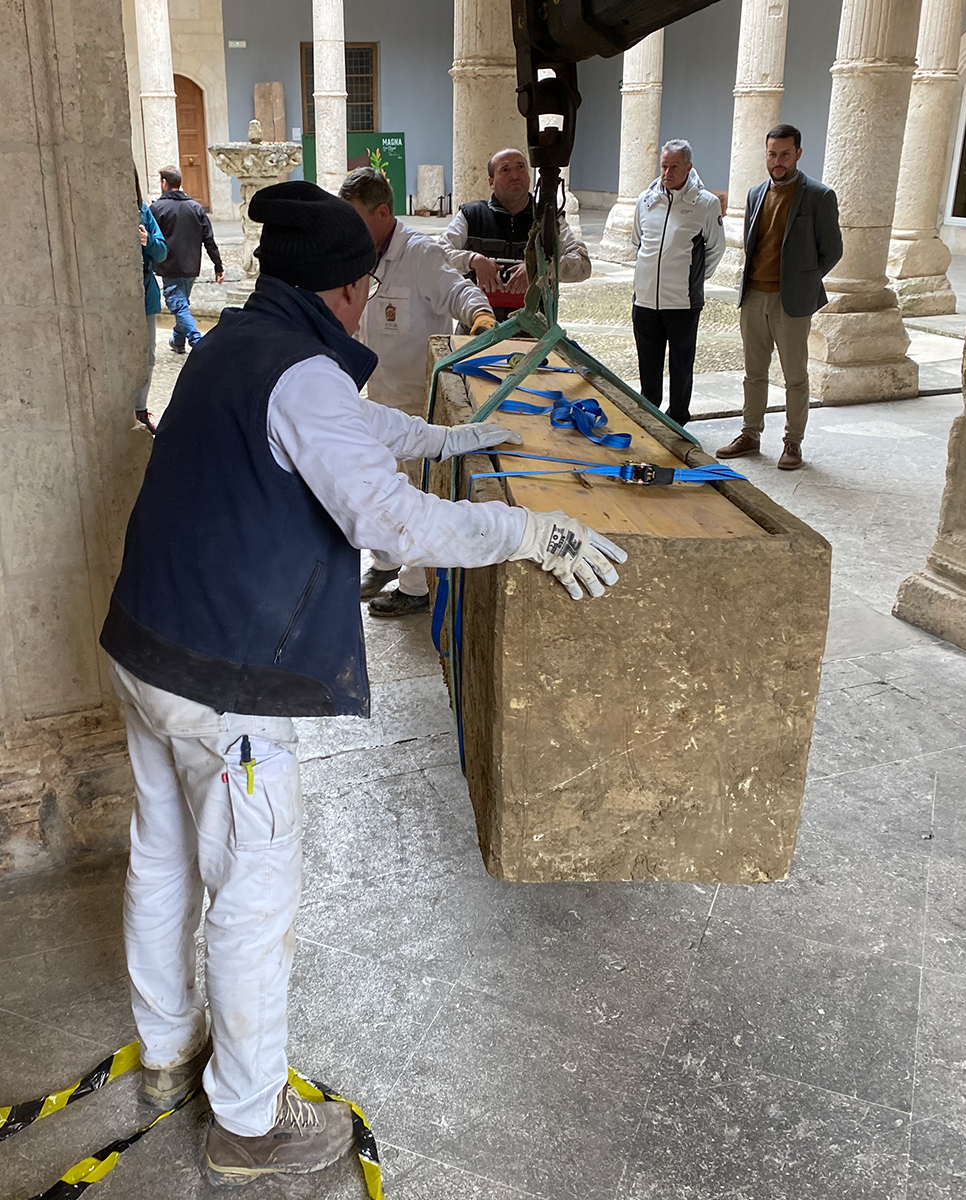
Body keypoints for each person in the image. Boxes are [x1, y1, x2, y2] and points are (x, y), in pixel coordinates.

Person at [98, 181, 626, 1188]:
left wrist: (451, 441)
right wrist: (534, 531)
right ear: (344, 292)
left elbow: (346, 428)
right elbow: (396, 527)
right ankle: (246, 1124)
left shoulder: (234, 345)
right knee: (252, 894)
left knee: (162, 857)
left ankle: (168, 1058)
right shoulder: (299, 373)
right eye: (363, 290)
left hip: (145, 645)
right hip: (223, 682)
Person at [339, 166, 497, 618]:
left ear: (384, 212)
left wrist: (481, 317)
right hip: (379, 395)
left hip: (418, 402)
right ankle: (387, 562)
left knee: (415, 493)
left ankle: (416, 587)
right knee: (377, 484)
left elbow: (459, 292)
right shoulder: (362, 253)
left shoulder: (421, 254)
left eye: (355, 217)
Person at [716, 123, 842, 470]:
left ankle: (792, 442)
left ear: (798, 153)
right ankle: (750, 433)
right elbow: (751, 242)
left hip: (792, 302)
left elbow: (832, 250)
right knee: (753, 373)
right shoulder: (757, 193)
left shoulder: (818, 196)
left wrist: (803, 280)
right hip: (754, 295)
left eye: (785, 154)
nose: (778, 161)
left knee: (795, 376)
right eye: (772, 154)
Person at [630, 139, 726, 426]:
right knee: (648, 363)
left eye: (674, 166)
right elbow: (638, 241)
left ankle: (679, 418)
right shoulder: (645, 201)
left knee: (681, 365)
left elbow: (715, 249)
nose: (667, 172)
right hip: (645, 300)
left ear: (688, 167)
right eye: (663, 166)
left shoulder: (705, 204)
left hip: (682, 302)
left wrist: (693, 279)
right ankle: (649, 413)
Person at [437, 147, 591, 320]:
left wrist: (540, 269)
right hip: (476, 326)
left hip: (535, 331)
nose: (515, 175)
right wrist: (473, 260)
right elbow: (437, 256)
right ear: (491, 182)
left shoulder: (548, 219)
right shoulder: (471, 215)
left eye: (520, 167)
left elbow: (583, 264)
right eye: (505, 170)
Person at [150, 165, 224, 354]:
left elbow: (150, 240)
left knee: (179, 306)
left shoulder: (157, 208)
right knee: (180, 304)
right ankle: (177, 340)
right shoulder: (196, 207)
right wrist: (218, 265)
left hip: (169, 266)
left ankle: (199, 344)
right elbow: (209, 239)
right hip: (191, 266)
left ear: (164, 183)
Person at [134, 171, 168, 433]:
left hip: (144, 294)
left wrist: (147, 241)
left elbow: (162, 251)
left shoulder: (144, 211)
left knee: (148, 355)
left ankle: (140, 408)